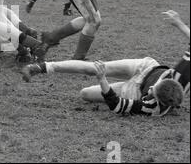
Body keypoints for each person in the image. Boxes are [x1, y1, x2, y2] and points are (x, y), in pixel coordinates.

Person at [22, 10, 189, 117]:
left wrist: (102, 79)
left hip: (136, 91)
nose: (152, 89)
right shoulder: (181, 76)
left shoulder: (150, 107)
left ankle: (104, 81)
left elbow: (117, 105)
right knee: (95, 67)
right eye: (156, 86)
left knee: (85, 94)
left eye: (153, 93)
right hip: (148, 67)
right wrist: (179, 23)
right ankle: (41, 67)